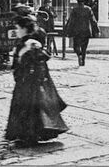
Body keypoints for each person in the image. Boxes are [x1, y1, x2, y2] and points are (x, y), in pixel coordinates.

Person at [5, 14, 68, 147]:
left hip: (31, 84)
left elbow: (41, 61)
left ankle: (30, 135)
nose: (16, 31)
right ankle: (23, 134)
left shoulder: (31, 43)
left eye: (18, 28)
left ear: (25, 29)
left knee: (31, 109)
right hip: (24, 83)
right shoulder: (22, 42)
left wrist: (24, 54)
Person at [64, 0, 98, 66]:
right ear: (84, 1)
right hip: (86, 31)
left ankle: (79, 55)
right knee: (84, 47)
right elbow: (93, 21)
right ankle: (83, 60)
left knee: (76, 46)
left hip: (77, 31)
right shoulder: (88, 9)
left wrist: (68, 31)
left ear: (78, 2)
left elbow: (71, 21)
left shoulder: (75, 10)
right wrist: (97, 30)